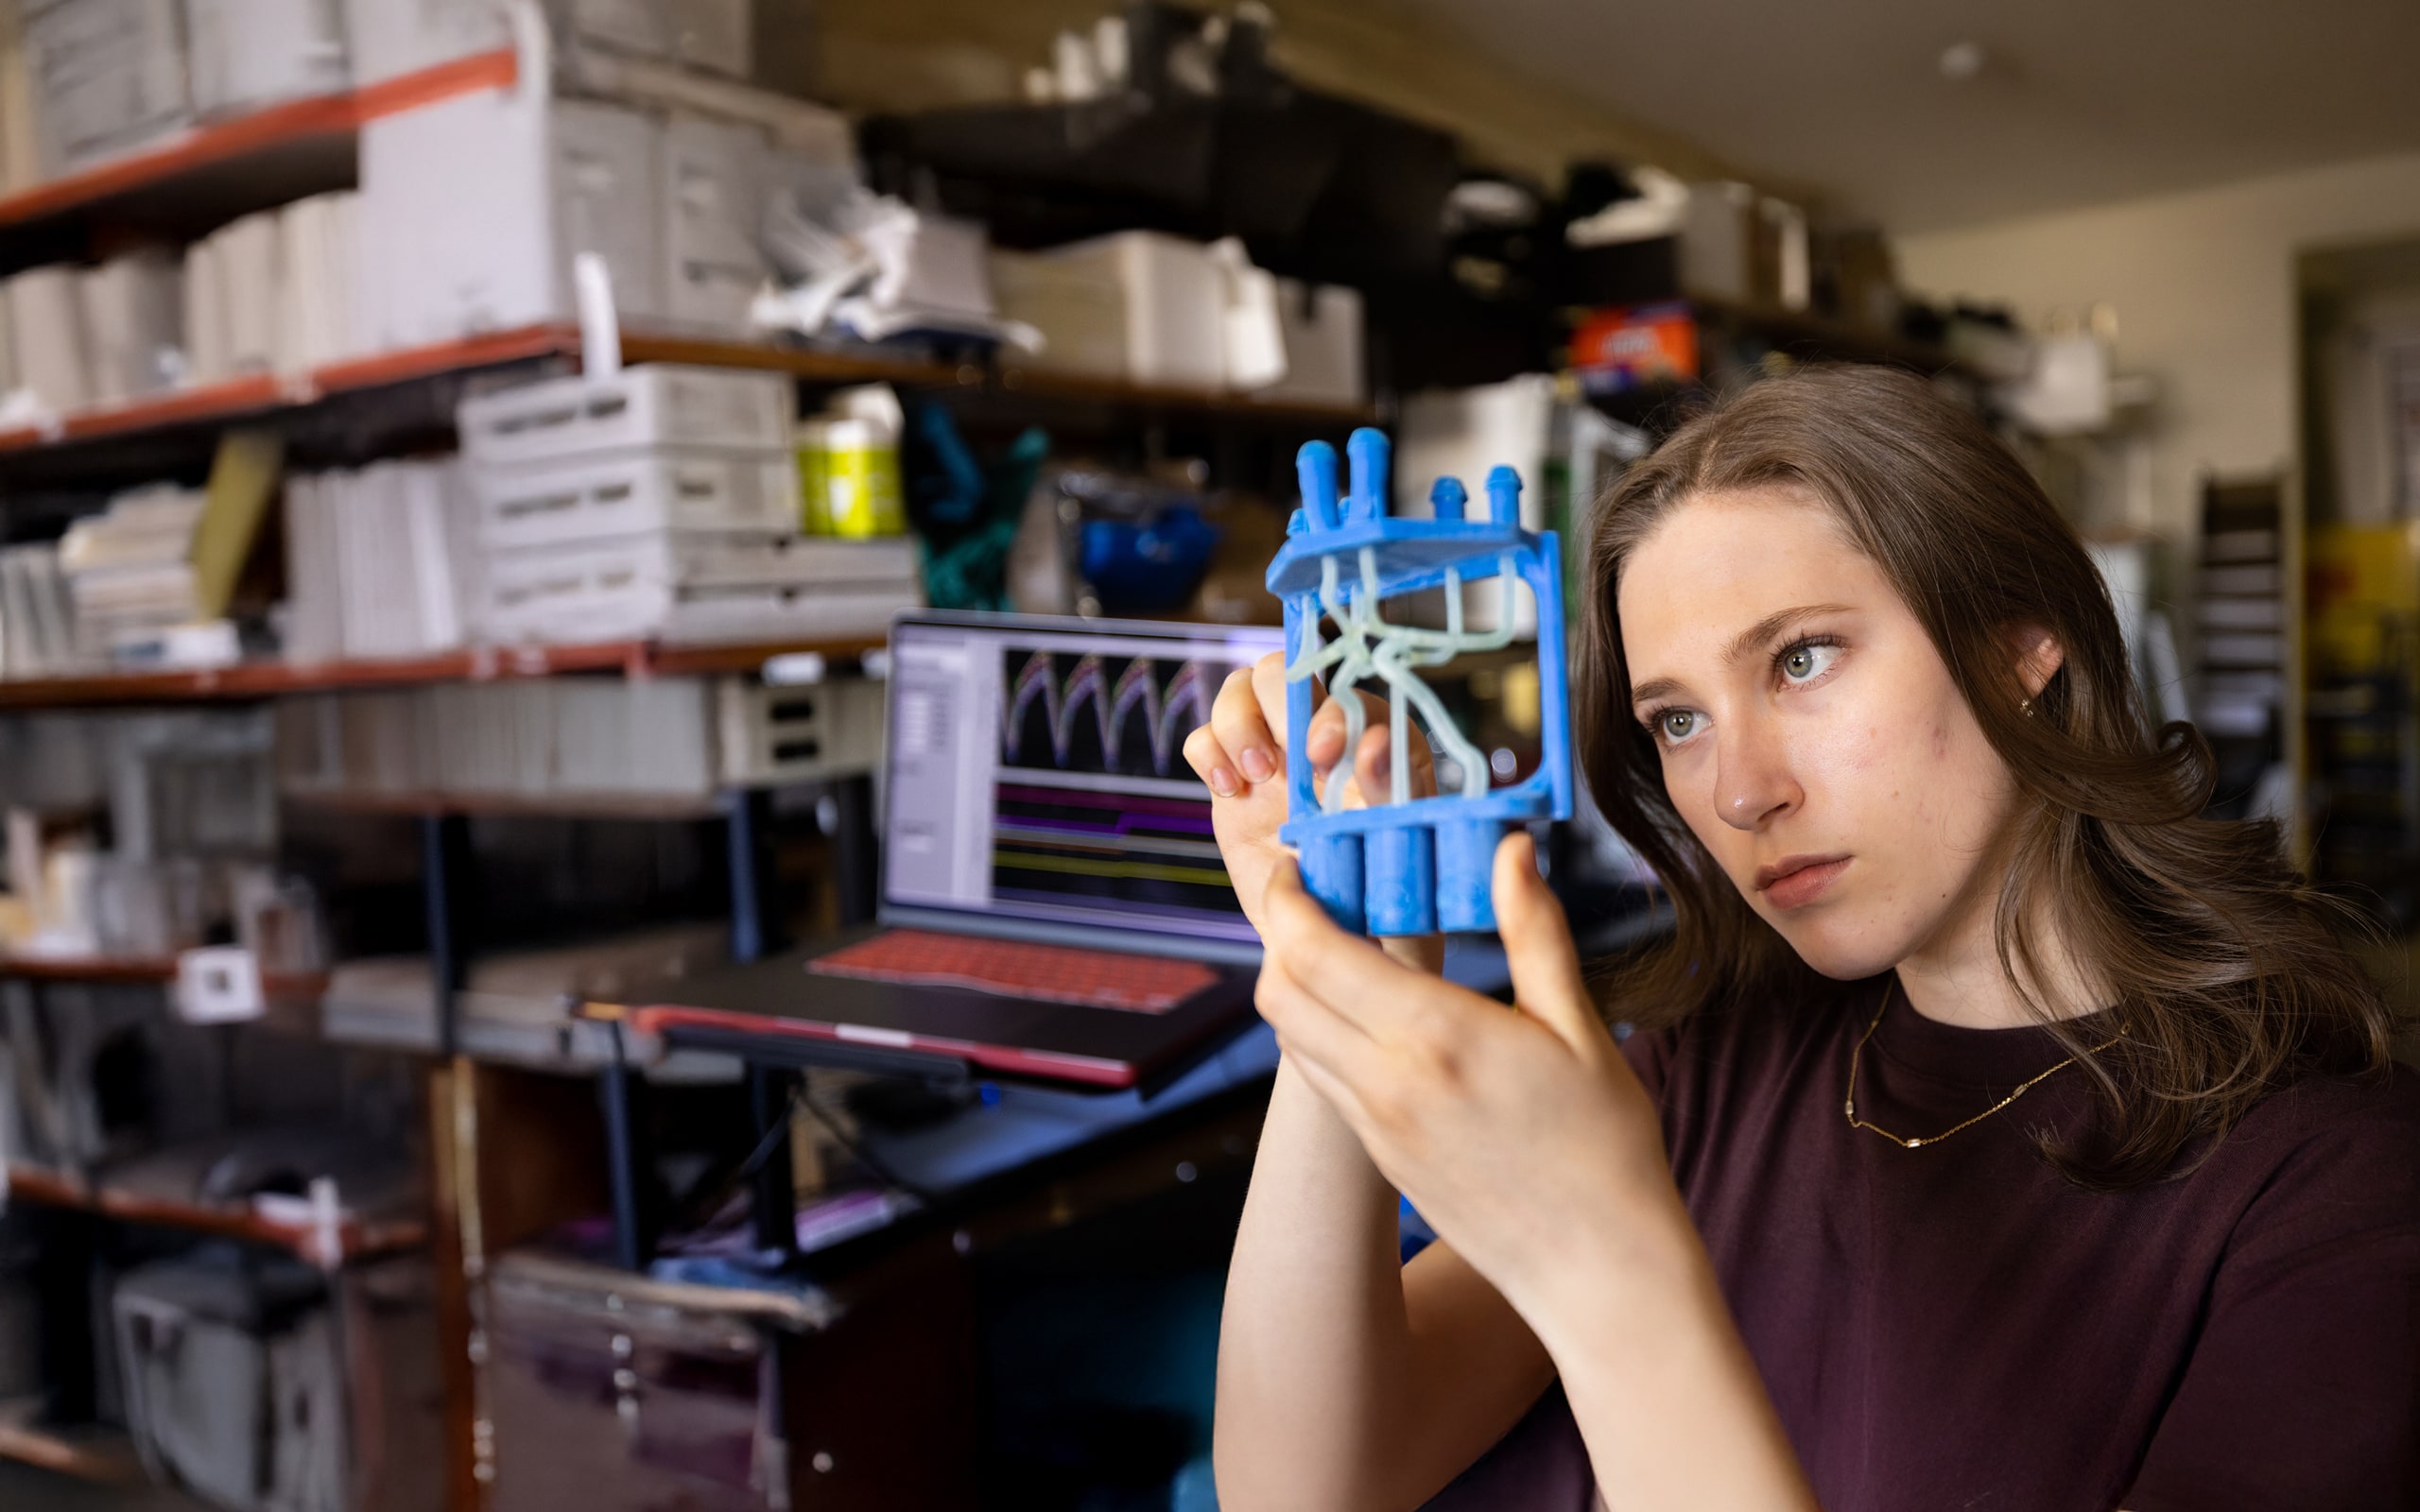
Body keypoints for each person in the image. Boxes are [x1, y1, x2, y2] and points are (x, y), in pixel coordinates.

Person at [1184, 364, 2420, 1511]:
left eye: (1803, 658)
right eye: (1677, 722)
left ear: (2023, 643)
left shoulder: (2337, 1195)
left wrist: (1605, 1268)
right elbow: (1306, 1486)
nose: (1738, 791)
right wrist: (1335, 944)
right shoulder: (1712, 1070)